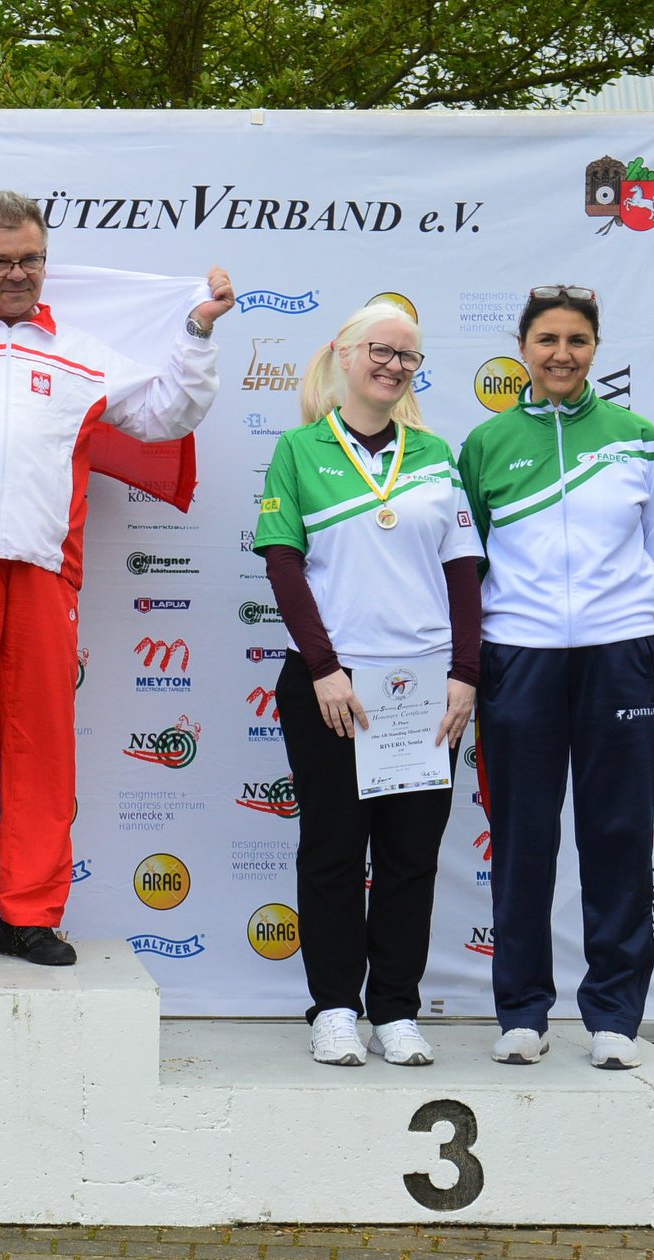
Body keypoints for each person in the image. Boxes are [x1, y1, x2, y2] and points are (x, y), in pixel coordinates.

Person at [0, 191, 234, 967]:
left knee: (42, 749)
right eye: (1, 260)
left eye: (30, 260)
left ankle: (30, 916)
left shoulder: (82, 350)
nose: (17, 273)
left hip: (47, 566)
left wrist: (197, 330)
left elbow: (169, 414)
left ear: (47, 263)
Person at [253, 303, 483, 1066]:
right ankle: (334, 1009)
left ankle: (395, 1009)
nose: (393, 365)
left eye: (408, 357)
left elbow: (462, 575)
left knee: (411, 854)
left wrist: (464, 674)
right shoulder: (298, 449)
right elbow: (283, 566)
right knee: (333, 851)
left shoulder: (436, 454)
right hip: (333, 683)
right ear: (346, 354)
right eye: (381, 350)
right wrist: (323, 667)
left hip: (424, 687)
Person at [460, 285, 654, 1070]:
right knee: (523, 835)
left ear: (596, 349)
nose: (561, 353)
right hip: (518, 657)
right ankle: (523, 1009)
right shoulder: (485, 444)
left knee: (617, 833)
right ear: (523, 349)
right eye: (547, 339)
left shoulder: (637, 438)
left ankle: (614, 1014)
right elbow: (471, 561)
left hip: (618, 655)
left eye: (577, 340)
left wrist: (622, 615)